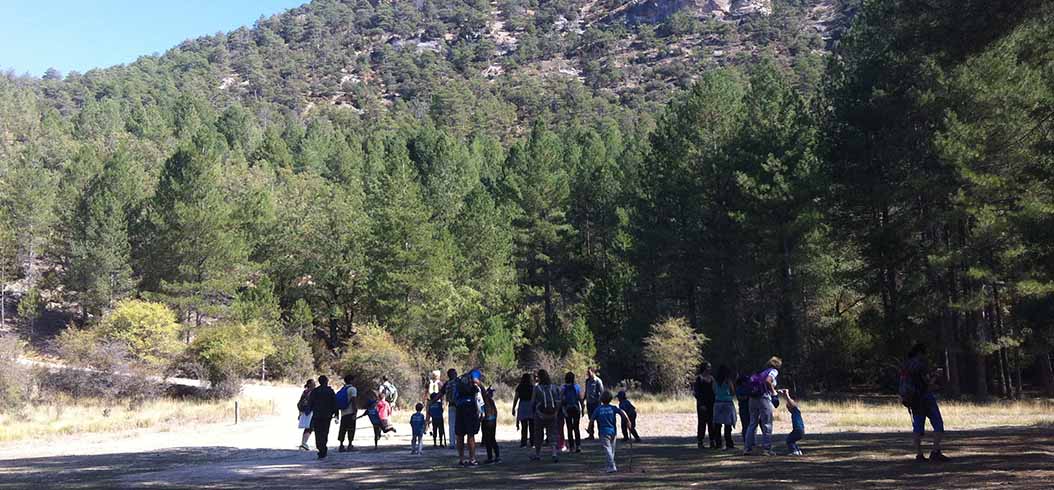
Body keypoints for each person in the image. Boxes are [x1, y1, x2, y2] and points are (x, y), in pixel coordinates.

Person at [904, 343, 949, 462]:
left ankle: (919, 454)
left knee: (917, 428)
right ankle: (935, 452)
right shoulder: (920, 365)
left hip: (913, 400)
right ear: (920, 353)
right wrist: (936, 376)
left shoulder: (907, 365)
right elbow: (927, 384)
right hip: (925, 398)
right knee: (938, 424)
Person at [744, 357, 781, 456]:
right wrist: (774, 393)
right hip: (763, 398)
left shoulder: (762, 372)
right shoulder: (773, 371)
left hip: (752, 398)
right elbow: (768, 381)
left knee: (752, 423)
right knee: (767, 424)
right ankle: (766, 449)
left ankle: (747, 448)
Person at [590, 390, 632, 473]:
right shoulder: (613, 408)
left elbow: (591, 420)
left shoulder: (598, 409)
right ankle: (609, 466)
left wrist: (589, 429)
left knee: (607, 449)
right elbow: (622, 412)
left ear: (601, 399)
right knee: (611, 449)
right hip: (613, 432)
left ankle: (612, 466)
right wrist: (628, 421)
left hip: (603, 432)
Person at [454, 368, 484, 466]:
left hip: (459, 406)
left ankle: (461, 459)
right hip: (470, 407)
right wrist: (483, 389)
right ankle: (472, 459)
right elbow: (476, 381)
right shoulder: (476, 373)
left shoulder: (461, 378)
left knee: (460, 434)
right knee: (470, 434)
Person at [531, 369, 562, 463]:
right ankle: (554, 453)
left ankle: (538, 454)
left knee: (538, 434)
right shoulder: (554, 387)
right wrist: (556, 412)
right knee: (552, 433)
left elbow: (533, 402)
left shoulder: (537, 388)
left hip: (540, 414)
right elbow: (559, 401)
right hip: (552, 414)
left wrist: (535, 412)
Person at [307, 375, 338, 459]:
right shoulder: (330, 391)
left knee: (318, 433)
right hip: (327, 416)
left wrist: (308, 411)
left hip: (317, 415)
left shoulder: (315, 391)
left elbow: (310, 402)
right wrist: (336, 414)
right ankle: (323, 449)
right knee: (325, 432)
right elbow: (334, 403)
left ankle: (320, 448)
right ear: (326, 382)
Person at [712, 365, 737, 450]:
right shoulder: (728, 381)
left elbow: (714, 390)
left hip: (718, 403)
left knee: (718, 425)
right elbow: (732, 391)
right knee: (727, 425)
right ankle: (729, 443)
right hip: (727, 403)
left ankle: (718, 443)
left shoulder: (715, 381)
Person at [693, 362, 717, 449]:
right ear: (704, 368)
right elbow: (696, 393)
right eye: (708, 367)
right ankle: (700, 441)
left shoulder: (712, 378)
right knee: (702, 423)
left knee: (711, 422)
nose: (709, 369)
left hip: (711, 403)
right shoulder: (699, 378)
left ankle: (712, 441)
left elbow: (714, 390)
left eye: (710, 367)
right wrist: (701, 403)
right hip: (702, 404)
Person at [562, 372, 584, 453]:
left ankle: (571, 446)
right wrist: (582, 408)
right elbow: (580, 398)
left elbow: (562, 399)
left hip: (567, 409)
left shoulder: (564, 388)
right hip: (576, 408)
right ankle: (578, 445)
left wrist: (562, 408)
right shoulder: (577, 387)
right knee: (576, 428)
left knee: (569, 428)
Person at [778, 389, 805, 455]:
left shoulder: (796, 410)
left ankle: (794, 451)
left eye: (788, 406)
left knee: (789, 440)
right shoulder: (796, 411)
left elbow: (791, 403)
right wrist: (784, 395)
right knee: (792, 440)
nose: (787, 407)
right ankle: (798, 450)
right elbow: (790, 403)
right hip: (800, 430)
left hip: (798, 430)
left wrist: (786, 394)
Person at [336, 375, 358, 452]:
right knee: (351, 429)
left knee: (343, 429)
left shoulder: (343, 389)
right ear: (351, 380)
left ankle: (341, 445)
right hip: (350, 412)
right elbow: (353, 401)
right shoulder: (353, 389)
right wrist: (355, 411)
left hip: (343, 412)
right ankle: (350, 444)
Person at [512, 373, 535, 448]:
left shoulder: (519, 387)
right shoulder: (532, 387)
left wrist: (513, 408)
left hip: (522, 405)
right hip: (531, 406)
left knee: (524, 426)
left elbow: (516, 398)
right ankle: (532, 442)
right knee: (532, 426)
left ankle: (523, 443)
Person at [481, 387, 501, 464]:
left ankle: (490, 457)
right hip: (492, 420)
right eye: (490, 392)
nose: (492, 394)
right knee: (492, 439)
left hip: (487, 420)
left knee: (488, 440)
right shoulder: (489, 401)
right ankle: (497, 456)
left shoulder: (486, 401)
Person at [584, 368, 604, 440]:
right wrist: (583, 400)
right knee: (591, 419)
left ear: (593, 372)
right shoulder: (587, 381)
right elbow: (586, 391)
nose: (588, 374)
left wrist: (600, 401)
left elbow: (602, 392)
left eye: (589, 372)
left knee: (598, 419)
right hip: (589, 403)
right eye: (587, 373)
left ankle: (600, 435)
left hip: (596, 403)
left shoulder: (598, 381)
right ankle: (591, 435)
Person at [297, 379, 317, 451]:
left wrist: (300, 413)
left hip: (305, 412)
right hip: (310, 412)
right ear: (310, 384)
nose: (315, 384)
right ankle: (304, 443)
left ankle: (303, 443)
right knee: (310, 428)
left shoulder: (305, 392)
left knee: (308, 428)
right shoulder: (312, 392)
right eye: (313, 383)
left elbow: (300, 403)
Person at [734, 374, 753, 442]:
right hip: (743, 408)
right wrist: (748, 397)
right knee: (745, 425)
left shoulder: (748, 387)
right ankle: (746, 440)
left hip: (750, 408)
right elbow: (740, 398)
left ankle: (751, 440)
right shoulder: (739, 388)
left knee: (751, 424)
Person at [444, 368, 458, 449]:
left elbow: (442, 393)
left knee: (452, 425)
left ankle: (452, 443)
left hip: (451, 405)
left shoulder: (447, 383)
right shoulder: (459, 382)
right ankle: (458, 441)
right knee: (458, 425)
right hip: (459, 405)